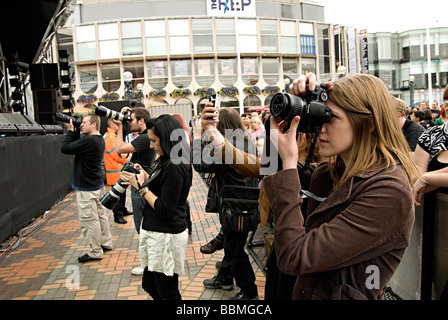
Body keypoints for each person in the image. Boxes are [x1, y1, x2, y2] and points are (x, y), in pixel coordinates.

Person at [202, 73, 421, 300]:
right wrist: (284, 118)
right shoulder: (338, 170)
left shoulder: (389, 191)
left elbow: (294, 256)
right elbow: (268, 169)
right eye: (319, 117)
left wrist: (288, 164)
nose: (320, 128)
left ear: (369, 123)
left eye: (330, 118)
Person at [121, 114, 192, 300]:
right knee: (151, 284)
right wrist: (145, 175)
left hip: (166, 236)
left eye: (154, 141)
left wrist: (141, 188)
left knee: (166, 290)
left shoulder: (175, 164)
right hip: (158, 233)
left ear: (167, 139)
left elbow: (165, 209)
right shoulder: (167, 159)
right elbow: (161, 187)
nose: (151, 146)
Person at [192, 108, 259, 300]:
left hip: (236, 205)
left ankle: (249, 291)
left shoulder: (228, 146)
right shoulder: (245, 139)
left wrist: (197, 135)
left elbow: (199, 163)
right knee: (232, 244)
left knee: (235, 250)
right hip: (242, 202)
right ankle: (225, 277)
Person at [61, 113, 113, 263]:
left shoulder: (90, 141)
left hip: (87, 189)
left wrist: (71, 131)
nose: (81, 124)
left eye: (84, 122)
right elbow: (76, 146)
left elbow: (65, 148)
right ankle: (105, 242)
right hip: (96, 184)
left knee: (89, 220)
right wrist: (76, 131)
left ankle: (95, 251)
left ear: (94, 125)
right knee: (100, 215)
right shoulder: (98, 139)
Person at [114, 106, 156, 275]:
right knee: (143, 226)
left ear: (141, 120)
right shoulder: (145, 137)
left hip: (140, 186)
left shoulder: (144, 138)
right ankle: (149, 263)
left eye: (130, 120)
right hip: (141, 183)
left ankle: (147, 265)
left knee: (142, 227)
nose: (128, 123)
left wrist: (118, 127)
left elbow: (119, 149)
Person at [413, 84, 448, 205]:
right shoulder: (431, 134)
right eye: (447, 97)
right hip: (433, 213)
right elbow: (415, 178)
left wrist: (427, 178)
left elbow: (421, 178)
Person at [103, 119, 132, 224]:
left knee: (121, 193)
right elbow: (117, 154)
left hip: (118, 172)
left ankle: (122, 210)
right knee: (117, 195)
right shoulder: (110, 138)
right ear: (113, 125)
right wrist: (129, 159)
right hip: (115, 172)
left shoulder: (113, 136)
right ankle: (118, 215)